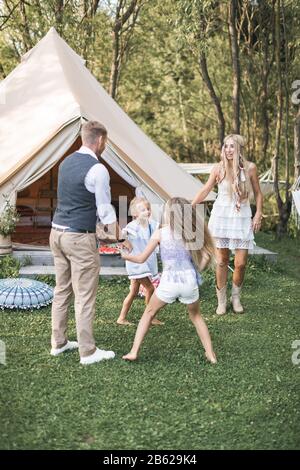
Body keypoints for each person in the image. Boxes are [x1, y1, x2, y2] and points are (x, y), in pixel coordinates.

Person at [49, 120, 130, 365]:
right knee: (84, 295)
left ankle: (59, 343)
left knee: (62, 289)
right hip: (78, 238)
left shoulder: (66, 162)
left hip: (56, 233)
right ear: (101, 141)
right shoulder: (98, 169)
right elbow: (105, 212)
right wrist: (121, 237)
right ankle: (87, 352)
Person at [121, 197, 217, 364]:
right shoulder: (191, 233)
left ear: (168, 214)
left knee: (149, 313)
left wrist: (125, 255)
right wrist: (199, 267)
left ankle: (134, 351)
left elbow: (142, 258)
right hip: (189, 282)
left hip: (169, 283)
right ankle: (211, 354)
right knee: (196, 316)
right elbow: (205, 259)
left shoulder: (161, 233)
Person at [192, 134, 263, 315]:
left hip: (241, 217)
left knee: (240, 263)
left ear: (239, 148)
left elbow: (258, 193)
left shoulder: (250, 168)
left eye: (232, 146)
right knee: (222, 260)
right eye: (226, 146)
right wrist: (190, 207)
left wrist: (258, 215)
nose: (228, 150)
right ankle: (221, 301)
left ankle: (236, 298)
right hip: (222, 217)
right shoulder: (218, 168)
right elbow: (206, 189)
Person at [117, 197, 163, 326]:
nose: (147, 211)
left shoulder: (151, 224)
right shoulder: (133, 226)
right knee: (150, 289)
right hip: (137, 264)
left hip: (142, 263)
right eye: (143, 210)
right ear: (135, 213)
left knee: (133, 292)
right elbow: (123, 234)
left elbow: (160, 227)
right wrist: (123, 241)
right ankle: (149, 317)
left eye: (148, 209)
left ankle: (121, 317)